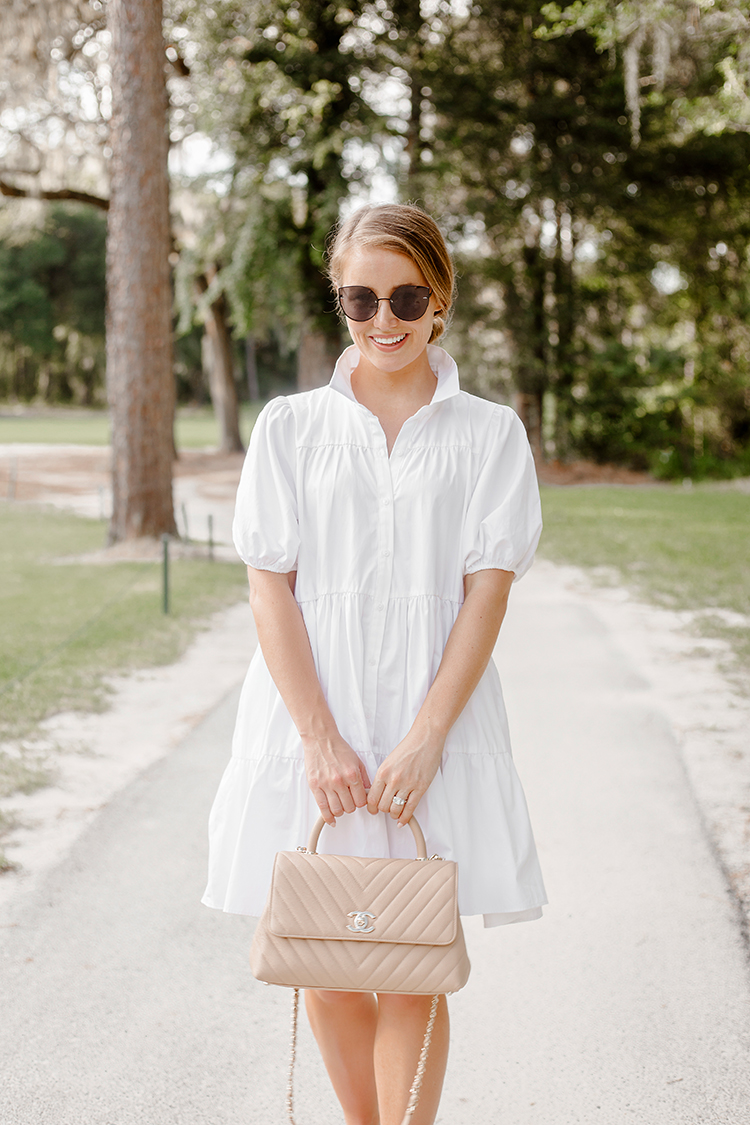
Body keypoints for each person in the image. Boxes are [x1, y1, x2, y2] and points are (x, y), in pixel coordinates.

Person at [202, 203, 547, 1125]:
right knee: (323, 948)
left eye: (405, 296)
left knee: (411, 958)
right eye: (361, 299)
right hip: (314, 719)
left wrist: (428, 736)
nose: (383, 320)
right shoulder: (289, 427)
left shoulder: (489, 434)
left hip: (434, 722)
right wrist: (319, 739)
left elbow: (487, 592)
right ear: (339, 301)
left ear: (441, 300)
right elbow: (270, 588)